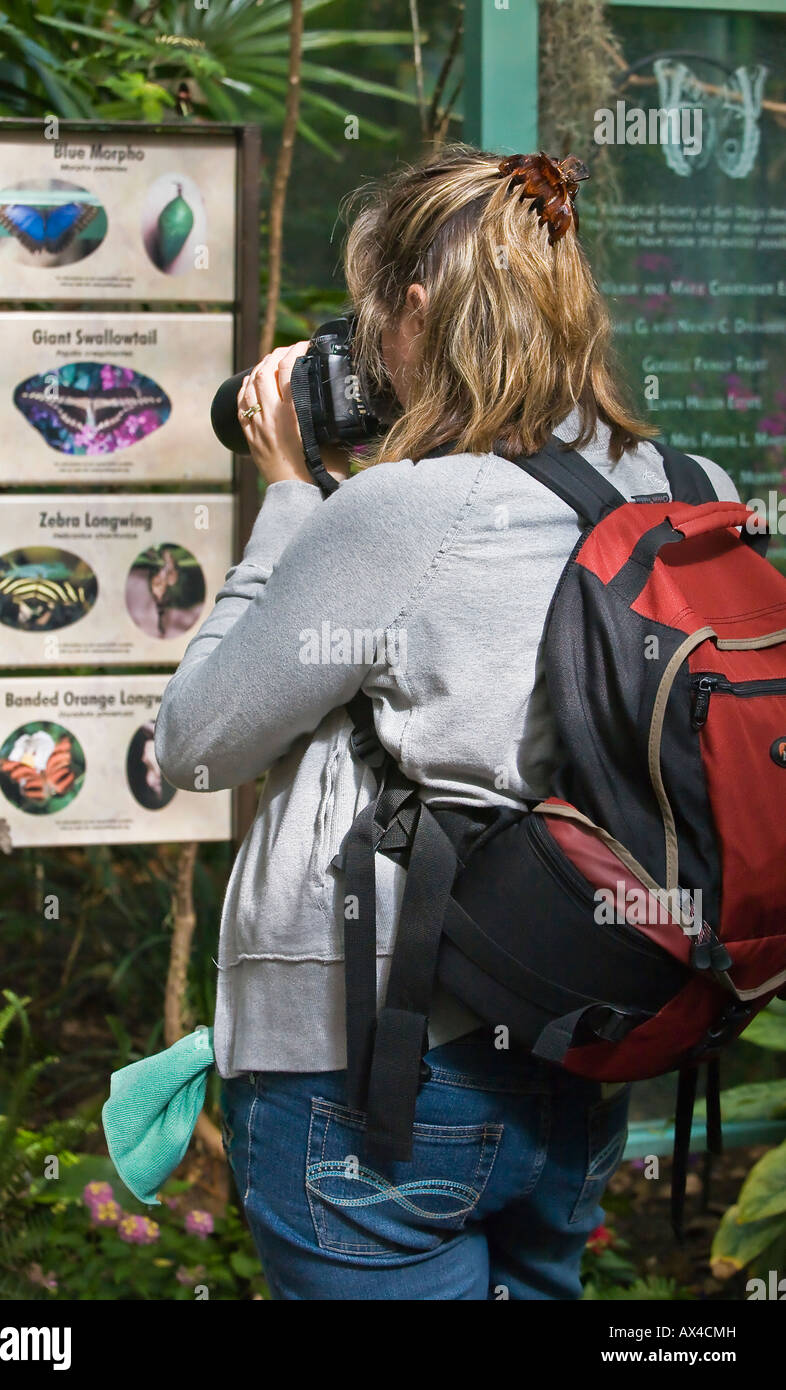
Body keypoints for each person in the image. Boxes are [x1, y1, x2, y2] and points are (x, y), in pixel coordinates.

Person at [153, 145, 739, 1301]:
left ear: (415, 310)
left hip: (375, 1081)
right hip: (588, 1051)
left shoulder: (398, 512)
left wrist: (289, 491)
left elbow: (196, 741)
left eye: (374, 316)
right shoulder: (688, 481)